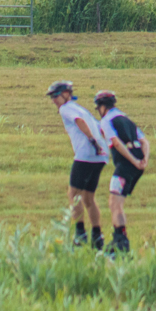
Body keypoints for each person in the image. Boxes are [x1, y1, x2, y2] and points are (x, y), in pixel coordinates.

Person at [46, 80, 107, 248]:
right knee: (88, 197)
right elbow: (101, 128)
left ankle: (80, 235)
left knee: (73, 194)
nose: (54, 100)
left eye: (56, 96)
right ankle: (97, 236)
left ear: (66, 94)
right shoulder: (81, 108)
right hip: (100, 157)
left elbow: (79, 121)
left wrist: (91, 140)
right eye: (52, 97)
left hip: (85, 155)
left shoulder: (66, 109)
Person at [93, 90, 148, 254]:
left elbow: (116, 143)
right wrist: (144, 160)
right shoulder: (125, 118)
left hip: (125, 165)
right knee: (117, 203)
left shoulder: (106, 121)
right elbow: (145, 142)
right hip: (137, 164)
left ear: (102, 107)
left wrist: (133, 161)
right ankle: (120, 239)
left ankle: (120, 242)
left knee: (114, 203)